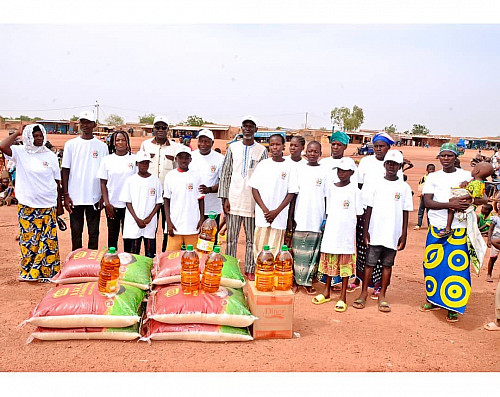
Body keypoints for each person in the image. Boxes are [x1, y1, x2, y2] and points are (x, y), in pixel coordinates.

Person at [419, 143, 486, 322]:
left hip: (460, 228)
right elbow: (427, 202)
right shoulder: (433, 177)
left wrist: (469, 201)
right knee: (432, 264)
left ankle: (452, 306)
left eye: (450, 156)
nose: (446, 159)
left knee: (456, 267)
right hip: (437, 226)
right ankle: (432, 299)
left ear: (456, 157)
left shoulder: (466, 175)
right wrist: (451, 204)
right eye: (443, 156)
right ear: (439, 157)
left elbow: (481, 197)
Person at [0, 124, 63, 282]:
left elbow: (57, 182)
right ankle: (29, 272)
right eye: (35, 135)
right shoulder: (20, 152)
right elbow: (2, 146)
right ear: (28, 136)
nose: (39, 138)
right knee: (29, 242)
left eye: (41, 135)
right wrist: (17, 133)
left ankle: (48, 273)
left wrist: (59, 205)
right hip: (28, 206)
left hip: (48, 205)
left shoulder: (50, 155)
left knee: (48, 242)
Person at [353, 150, 413, 312]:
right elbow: (369, 209)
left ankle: (382, 296)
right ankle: (363, 293)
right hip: (375, 231)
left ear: (400, 166)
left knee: (387, 265)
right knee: (369, 264)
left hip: (392, 234)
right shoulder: (375, 184)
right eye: (389, 163)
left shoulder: (404, 187)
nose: (391, 167)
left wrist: (404, 234)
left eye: (395, 164)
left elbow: (405, 211)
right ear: (384, 165)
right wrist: (366, 231)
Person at [354, 131, 403, 297]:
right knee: (363, 247)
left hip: (385, 216)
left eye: (382, 146)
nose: (378, 149)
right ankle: (360, 279)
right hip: (366, 210)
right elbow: (359, 185)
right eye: (376, 146)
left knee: (383, 251)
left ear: (388, 148)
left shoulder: (395, 165)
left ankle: (378, 284)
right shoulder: (366, 162)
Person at [218, 116, 268, 280]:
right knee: (231, 238)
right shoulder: (233, 148)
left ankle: (249, 268)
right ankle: (231, 268)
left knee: (251, 240)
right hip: (233, 200)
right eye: (245, 126)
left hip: (252, 202)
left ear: (256, 130)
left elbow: (263, 178)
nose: (247, 129)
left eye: (251, 126)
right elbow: (225, 174)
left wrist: (261, 204)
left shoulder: (262, 151)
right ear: (241, 129)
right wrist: (224, 198)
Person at [313, 157, 363, 311]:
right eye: (339, 171)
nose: (341, 173)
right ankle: (326, 291)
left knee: (344, 263)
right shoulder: (331, 188)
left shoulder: (355, 190)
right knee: (330, 260)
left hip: (346, 233)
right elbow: (328, 210)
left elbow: (359, 212)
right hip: (331, 230)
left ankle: (343, 296)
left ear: (351, 172)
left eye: (344, 171)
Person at [62, 111, 108, 251]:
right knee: (76, 233)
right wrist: (66, 194)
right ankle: (76, 260)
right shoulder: (70, 144)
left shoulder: (102, 147)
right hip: (75, 197)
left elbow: (105, 174)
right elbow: (65, 170)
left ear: (95, 125)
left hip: (94, 197)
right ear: (79, 124)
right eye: (83, 122)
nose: (85, 125)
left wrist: (102, 196)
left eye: (88, 122)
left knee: (93, 233)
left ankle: (91, 262)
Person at [249, 133, 298, 261]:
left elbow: (291, 193)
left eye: (277, 144)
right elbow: (255, 189)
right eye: (272, 145)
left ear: (283, 147)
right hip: (262, 215)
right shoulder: (263, 165)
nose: (274, 147)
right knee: (259, 249)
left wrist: (276, 212)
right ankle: (261, 277)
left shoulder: (290, 167)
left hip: (279, 216)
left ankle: (271, 279)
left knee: (275, 250)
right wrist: (266, 211)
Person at [288, 141, 326, 294]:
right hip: (301, 217)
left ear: (320, 154)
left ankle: (309, 282)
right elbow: (293, 194)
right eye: (310, 151)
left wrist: (326, 217)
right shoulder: (299, 169)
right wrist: (291, 218)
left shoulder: (325, 171)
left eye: (315, 151)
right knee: (297, 252)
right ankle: (296, 282)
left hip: (317, 217)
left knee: (313, 253)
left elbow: (326, 196)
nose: (312, 154)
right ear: (306, 152)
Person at [140, 115, 180, 252]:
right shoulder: (145, 145)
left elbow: (178, 170)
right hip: (149, 194)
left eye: (163, 127)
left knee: (167, 227)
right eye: (158, 127)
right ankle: (149, 256)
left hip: (168, 195)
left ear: (168, 129)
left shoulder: (176, 147)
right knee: (150, 227)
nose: (160, 130)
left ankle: (165, 256)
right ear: (153, 129)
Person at [97, 130, 136, 251]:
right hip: (112, 205)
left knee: (129, 237)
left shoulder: (134, 159)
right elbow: (103, 183)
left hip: (129, 206)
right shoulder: (107, 160)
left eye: (123, 140)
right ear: (113, 143)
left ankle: (128, 262)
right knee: (112, 236)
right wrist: (107, 203)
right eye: (117, 140)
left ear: (127, 142)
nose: (120, 142)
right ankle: (113, 262)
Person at [120, 151, 163, 258]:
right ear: (137, 164)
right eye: (141, 163)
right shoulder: (130, 180)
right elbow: (128, 202)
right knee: (134, 251)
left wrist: (149, 217)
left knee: (150, 251)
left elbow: (158, 202)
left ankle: (149, 273)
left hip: (150, 221)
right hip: (134, 221)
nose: (144, 165)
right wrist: (137, 219)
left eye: (146, 163)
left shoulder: (155, 180)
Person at [164, 146, 204, 251]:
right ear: (176, 159)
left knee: (194, 256)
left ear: (190, 159)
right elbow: (166, 200)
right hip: (175, 225)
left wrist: (201, 219)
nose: (184, 160)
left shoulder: (196, 176)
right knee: (171, 257)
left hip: (192, 225)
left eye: (186, 158)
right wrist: (168, 222)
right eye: (181, 157)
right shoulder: (170, 176)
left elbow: (200, 199)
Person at [438, 161, 494, 237]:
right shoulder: (476, 181)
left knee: (451, 206)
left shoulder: (478, 183)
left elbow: (474, 195)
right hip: (467, 201)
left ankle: (448, 228)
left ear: (477, 171)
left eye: (474, 168)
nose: (472, 170)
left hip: (466, 202)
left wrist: (460, 197)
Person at [190, 129, 225, 244]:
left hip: (212, 207)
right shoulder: (190, 156)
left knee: (210, 239)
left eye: (206, 141)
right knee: (193, 237)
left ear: (212, 143)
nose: (203, 144)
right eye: (201, 141)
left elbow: (223, 182)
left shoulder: (220, 159)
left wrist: (209, 189)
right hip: (192, 206)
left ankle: (209, 261)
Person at [414, 163, 436, 230]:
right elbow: (420, 185)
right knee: (421, 210)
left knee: (429, 211)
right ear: (427, 170)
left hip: (431, 197)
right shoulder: (424, 178)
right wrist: (420, 193)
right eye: (430, 169)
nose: (431, 171)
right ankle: (419, 224)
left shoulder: (436, 178)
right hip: (423, 197)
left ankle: (430, 225)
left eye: (433, 169)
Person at [486, 213, 500, 282]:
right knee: (493, 257)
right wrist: (489, 240)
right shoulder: (496, 219)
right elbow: (490, 230)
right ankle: (489, 274)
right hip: (495, 240)